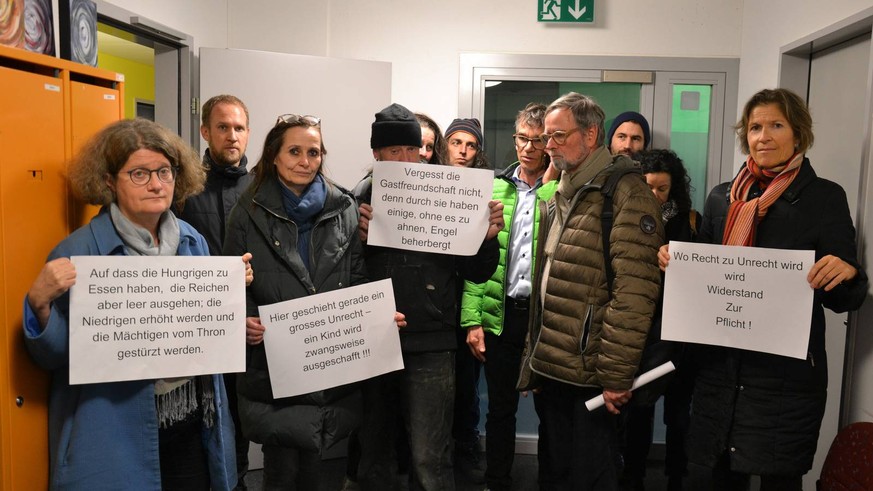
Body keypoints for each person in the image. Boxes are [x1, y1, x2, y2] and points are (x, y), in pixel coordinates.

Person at [658, 88, 868, 490]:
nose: (764, 136)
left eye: (776, 125)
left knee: (780, 479)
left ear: (798, 134)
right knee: (717, 475)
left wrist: (845, 272)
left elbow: (846, 297)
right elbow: (704, 275)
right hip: (719, 367)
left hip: (784, 377)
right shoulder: (723, 197)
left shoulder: (825, 197)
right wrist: (676, 262)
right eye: (755, 127)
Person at [23, 118, 249, 490]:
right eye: (139, 174)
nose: (157, 184)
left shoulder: (193, 240)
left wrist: (228, 291)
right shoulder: (78, 251)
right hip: (115, 424)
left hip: (191, 418)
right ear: (110, 181)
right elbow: (54, 357)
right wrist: (40, 304)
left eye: (164, 171)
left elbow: (205, 333)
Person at [222, 113, 398, 490]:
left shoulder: (344, 209)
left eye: (314, 152)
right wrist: (246, 320)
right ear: (274, 156)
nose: (305, 161)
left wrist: (377, 317)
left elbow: (356, 280)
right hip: (274, 367)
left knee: (324, 472)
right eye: (295, 151)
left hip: (330, 365)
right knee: (281, 473)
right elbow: (233, 285)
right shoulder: (246, 211)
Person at [352, 102, 503, 491]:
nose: (405, 159)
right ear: (377, 154)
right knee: (375, 456)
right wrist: (360, 241)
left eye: (411, 149)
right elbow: (344, 275)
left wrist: (486, 242)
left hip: (432, 343)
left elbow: (478, 271)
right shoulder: (359, 199)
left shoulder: (446, 194)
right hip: (374, 342)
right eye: (393, 151)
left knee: (430, 459)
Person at [517, 92, 664, 490]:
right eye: (546, 137)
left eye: (558, 136)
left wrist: (616, 376)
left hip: (593, 376)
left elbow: (635, 295)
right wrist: (535, 359)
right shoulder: (560, 191)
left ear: (592, 133)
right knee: (555, 475)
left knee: (589, 477)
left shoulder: (626, 194)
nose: (548, 147)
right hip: (555, 369)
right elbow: (547, 283)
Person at [461, 102, 557, 491]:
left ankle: (551, 482)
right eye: (522, 139)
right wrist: (472, 320)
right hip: (499, 316)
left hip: (544, 321)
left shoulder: (561, 190)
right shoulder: (493, 186)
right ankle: (496, 480)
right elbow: (477, 257)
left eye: (537, 141)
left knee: (552, 410)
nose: (528, 148)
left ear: (549, 144)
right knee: (500, 409)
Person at [177, 93, 253, 490]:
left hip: (251, 326)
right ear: (205, 131)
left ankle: (238, 479)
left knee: (243, 413)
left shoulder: (262, 186)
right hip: (199, 325)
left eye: (238, 128)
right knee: (206, 413)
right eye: (222, 127)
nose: (231, 136)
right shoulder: (183, 187)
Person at [621, 149, 700, 491]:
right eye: (647, 187)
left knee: (679, 416)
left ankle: (676, 478)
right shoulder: (626, 220)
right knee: (639, 409)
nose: (654, 195)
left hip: (683, 332)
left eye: (662, 189)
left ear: (674, 189)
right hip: (644, 330)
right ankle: (633, 476)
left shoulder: (690, 221)